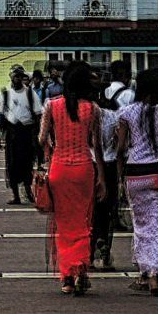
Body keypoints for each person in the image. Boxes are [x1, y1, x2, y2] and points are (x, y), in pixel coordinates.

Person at [37, 58, 103, 295]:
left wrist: (51, 149)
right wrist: (102, 178)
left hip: (60, 170)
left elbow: (41, 138)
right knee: (85, 222)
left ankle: (67, 276)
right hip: (84, 169)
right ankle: (81, 269)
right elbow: (97, 145)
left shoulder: (51, 106)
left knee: (63, 224)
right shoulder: (92, 109)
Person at [115, 68, 158, 297]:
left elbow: (121, 148)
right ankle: (154, 275)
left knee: (141, 224)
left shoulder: (127, 112)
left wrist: (118, 174)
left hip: (134, 174)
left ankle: (143, 273)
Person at [92, 59, 132, 270]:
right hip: (108, 166)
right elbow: (119, 147)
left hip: (87, 166)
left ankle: (89, 252)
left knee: (89, 211)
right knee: (107, 209)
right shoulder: (113, 116)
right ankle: (105, 249)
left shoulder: (85, 114)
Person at [0, 65, 43, 205]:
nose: (18, 79)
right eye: (15, 76)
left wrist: (38, 134)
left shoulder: (30, 94)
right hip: (12, 135)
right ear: (11, 77)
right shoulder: (6, 95)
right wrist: (1, 136)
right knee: (12, 165)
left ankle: (29, 191)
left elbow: (38, 114)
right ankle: (16, 195)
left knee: (27, 164)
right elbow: (2, 116)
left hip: (26, 134)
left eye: (20, 76)